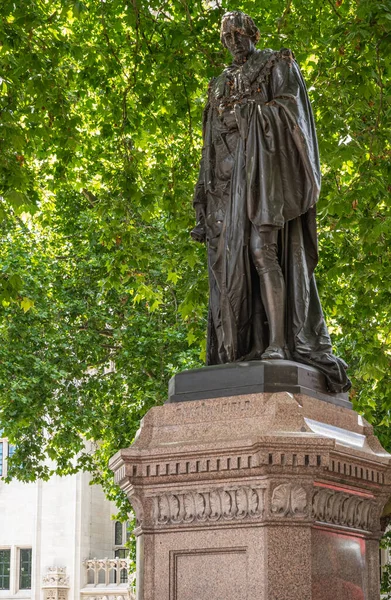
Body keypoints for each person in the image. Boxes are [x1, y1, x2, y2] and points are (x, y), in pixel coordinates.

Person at [191, 11, 351, 394]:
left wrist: (249, 114)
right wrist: (201, 201)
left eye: (239, 34)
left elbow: (290, 112)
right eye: (226, 37)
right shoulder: (217, 85)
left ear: (253, 34)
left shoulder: (277, 63)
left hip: (264, 178)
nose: (233, 42)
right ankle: (241, 347)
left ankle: (279, 342)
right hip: (226, 191)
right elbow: (208, 147)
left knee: (264, 252)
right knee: (231, 268)